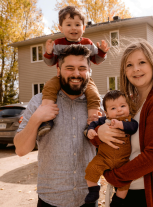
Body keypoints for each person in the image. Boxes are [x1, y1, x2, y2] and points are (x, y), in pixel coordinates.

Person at [90, 40, 153, 207]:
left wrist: (114, 176)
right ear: (124, 71)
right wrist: (99, 132)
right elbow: (104, 129)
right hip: (126, 191)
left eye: (142, 62)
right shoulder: (128, 103)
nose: (136, 69)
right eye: (129, 65)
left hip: (147, 195)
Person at [14, 45, 110, 207]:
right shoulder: (39, 101)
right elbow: (21, 150)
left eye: (82, 68)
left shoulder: (98, 107)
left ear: (89, 72)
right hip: (50, 199)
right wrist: (37, 118)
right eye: (69, 68)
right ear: (58, 70)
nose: (76, 74)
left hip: (88, 198)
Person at [38, 5, 109, 136]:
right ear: (60, 28)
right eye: (69, 24)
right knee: (49, 88)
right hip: (62, 78)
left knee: (94, 95)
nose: (73, 28)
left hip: (85, 80)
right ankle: (46, 120)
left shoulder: (87, 43)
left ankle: (92, 124)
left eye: (77, 24)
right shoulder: (58, 44)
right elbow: (51, 62)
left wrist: (102, 52)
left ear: (83, 27)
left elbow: (96, 60)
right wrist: (49, 52)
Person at [84, 90, 138, 206]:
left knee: (125, 182)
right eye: (113, 108)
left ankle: (117, 200)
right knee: (91, 168)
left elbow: (134, 127)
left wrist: (121, 125)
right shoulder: (104, 120)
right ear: (106, 113)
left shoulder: (129, 121)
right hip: (104, 157)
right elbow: (93, 123)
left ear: (128, 107)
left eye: (123, 106)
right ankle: (93, 191)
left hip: (122, 161)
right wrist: (91, 130)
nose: (119, 110)